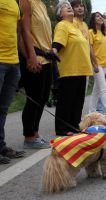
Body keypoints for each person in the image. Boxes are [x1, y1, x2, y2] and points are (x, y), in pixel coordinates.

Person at [52, 1, 93, 136]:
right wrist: (54, 50)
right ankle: (62, 128)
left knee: (78, 100)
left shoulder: (75, 26)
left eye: (70, 7)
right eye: (65, 7)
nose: (69, 8)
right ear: (60, 14)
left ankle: (74, 125)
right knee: (66, 100)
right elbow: (58, 42)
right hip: (70, 69)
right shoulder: (62, 25)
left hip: (82, 69)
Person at [19, 0, 55, 149]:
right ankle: (29, 136)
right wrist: (31, 57)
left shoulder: (42, 4)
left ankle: (35, 132)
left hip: (46, 59)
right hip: (35, 57)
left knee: (43, 98)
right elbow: (24, 30)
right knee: (34, 98)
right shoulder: (26, 1)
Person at [0, 0, 26, 164]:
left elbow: (17, 31)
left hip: (13, 61)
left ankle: (1, 146)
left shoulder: (14, 3)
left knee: (3, 108)